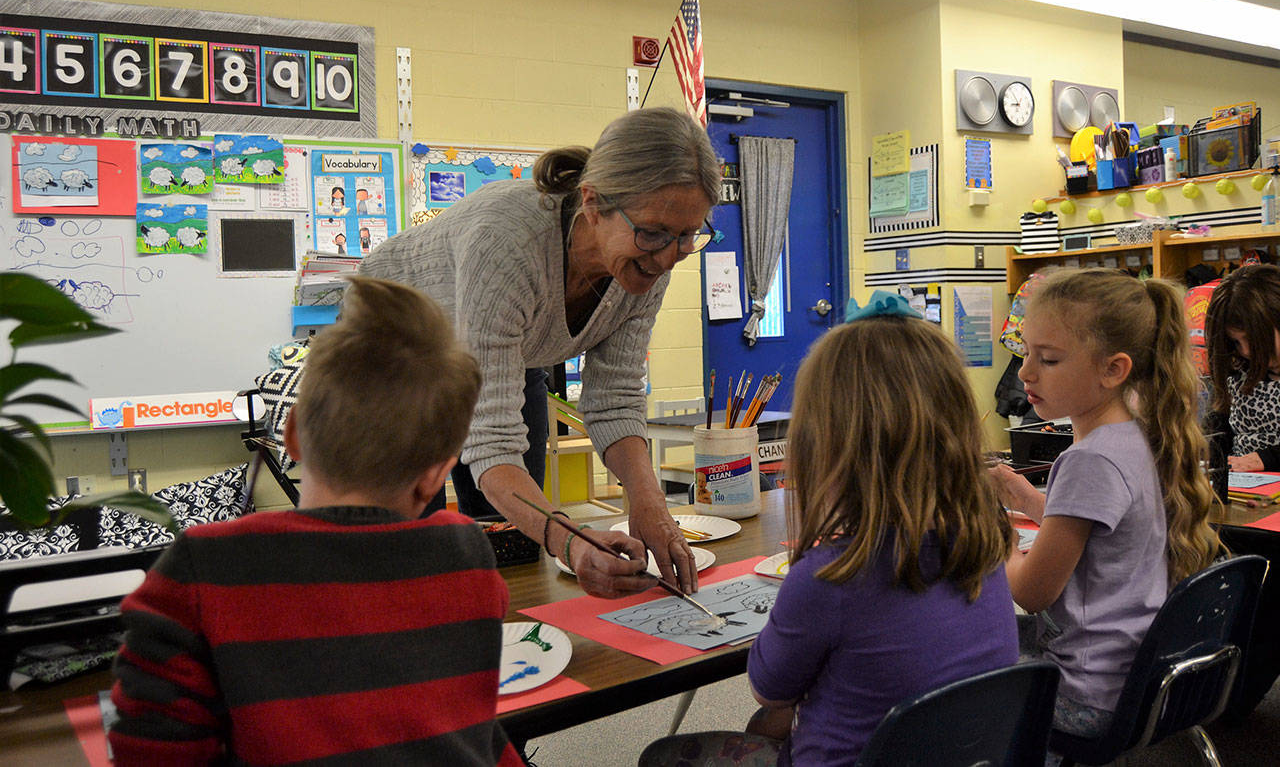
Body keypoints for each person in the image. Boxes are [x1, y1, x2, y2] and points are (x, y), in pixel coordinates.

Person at [109, 277, 521, 766]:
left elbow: (152, 751)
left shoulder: (204, 564)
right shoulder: (466, 553)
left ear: (292, 436)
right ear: (437, 474)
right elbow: (466, 728)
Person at [640, 293, 1019, 767]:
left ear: (827, 444)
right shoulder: (984, 547)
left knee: (666, 755)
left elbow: (766, 686)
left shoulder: (832, 577)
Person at [363, 107, 720, 598]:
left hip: (506, 353)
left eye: (687, 236)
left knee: (514, 539)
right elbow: (492, 445)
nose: (667, 257)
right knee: (408, 550)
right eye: (655, 232)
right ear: (593, 205)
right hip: (392, 355)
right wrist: (572, 543)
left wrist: (649, 502)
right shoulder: (507, 242)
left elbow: (614, 398)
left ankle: (511, 651)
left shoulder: (646, 259)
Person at [992, 268, 1218, 759]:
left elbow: (1031, 593)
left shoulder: (1089, 460)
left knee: (949, 663)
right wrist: (1027, 498)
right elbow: (1096, 527)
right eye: (1025, 352)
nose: (1026, 372)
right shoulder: (1140, 434)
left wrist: (999, 547)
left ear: (1114, 370)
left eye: (1047, 359)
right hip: (1136, 672)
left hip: (1086, 696)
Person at [1205, 263, 1280, 471]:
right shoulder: (1238, 370)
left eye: (1252, 339)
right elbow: (1218, 436)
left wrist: (1269, 458)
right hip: (1243, 493)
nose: (1246, 351)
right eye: (1236, 342)